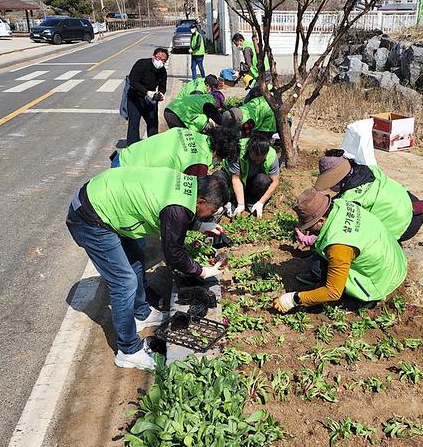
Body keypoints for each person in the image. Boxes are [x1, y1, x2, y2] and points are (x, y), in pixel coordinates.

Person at [66, 168, 228, 370]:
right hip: (90, 217)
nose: (210, 216)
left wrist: (200, 226)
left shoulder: (190, 186)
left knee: (135, 259)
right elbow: (174, 253)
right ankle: (128, 351)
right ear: (201, 202)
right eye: (212, 212)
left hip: (106, 203)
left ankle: (140, 313)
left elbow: (174, 213)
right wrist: (201, 271)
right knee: (124, 283)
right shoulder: (177, 207)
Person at [273, 189, 407, 313]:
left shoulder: (339, 247)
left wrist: (294, 299)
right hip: (393, 259)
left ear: (321, 220)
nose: (308, 229)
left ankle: (363, 301)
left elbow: (333, 292)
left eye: (309, 225)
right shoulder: (341, 204)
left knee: (335, 291)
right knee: (317, 266)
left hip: (381, 280)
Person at [313, 150, 423, 242]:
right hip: (413, 204)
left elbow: (339, 228)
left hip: (405, 225)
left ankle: (391, 244)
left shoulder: (350, 199)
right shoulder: (368, 169)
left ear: (336, 180)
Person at [111, 126, 239, 176]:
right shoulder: (199, 162)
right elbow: (193, 195)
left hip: (125, 156)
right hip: (126, 173)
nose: (218, 162)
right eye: (221, 159)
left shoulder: (187, 132)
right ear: (217, 152)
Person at [216, 134, 280, 218]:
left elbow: (275, 182)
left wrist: (261, 202)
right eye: (255, 160)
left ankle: (251, 202)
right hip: (232, 180)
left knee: (263, 180)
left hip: (251, 183)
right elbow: (235, 178)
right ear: (249, 150)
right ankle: (229, 201)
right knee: (217, 177)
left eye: (261, 160)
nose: (257, 162)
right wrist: (241, 204)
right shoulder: (236, 150)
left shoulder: (272, 156)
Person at [126, 47, 169, 145]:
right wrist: (147, 92)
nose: (160, 61)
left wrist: (161, 94)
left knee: (153, 124)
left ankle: (153, 146)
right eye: (158, 58)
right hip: (135, 99)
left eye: (163, 60)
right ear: (153, 56)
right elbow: (133, 81)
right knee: (134, 124)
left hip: (150, 101)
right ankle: (133, 148)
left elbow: (163, 86)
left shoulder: (163, 71)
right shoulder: (141, 64)